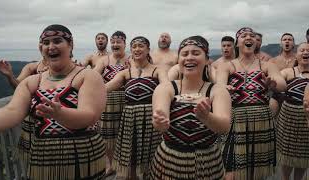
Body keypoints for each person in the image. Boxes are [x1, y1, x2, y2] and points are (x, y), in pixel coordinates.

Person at [0, 24, 107, 179]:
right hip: (42, 158)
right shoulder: (32, 81)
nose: (51, 47)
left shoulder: (88, 76)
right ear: (40, 49)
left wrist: (60, 113)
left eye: (57, 41)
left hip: (82, 156)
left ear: (70, 45)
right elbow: (12, 111)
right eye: (46, 43)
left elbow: (89, 115)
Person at [149, 35, 231, 179]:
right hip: (170, 161)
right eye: (184, 54)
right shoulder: (166, 88)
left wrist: (207, 117)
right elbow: (160, 122)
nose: (189, 57)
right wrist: (160, 122)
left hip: (207, 163)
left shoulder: (217, 91)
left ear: (206, 60)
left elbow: (224, 127)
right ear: (178, 60)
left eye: (196, 53)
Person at [217, 27, 286, 180]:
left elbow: (282, 84)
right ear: (237, 43)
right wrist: (225, 88)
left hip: (262, 120)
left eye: (252, 35)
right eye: (243, 35)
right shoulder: (227, 66)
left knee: (256, 171)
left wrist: (273, 84)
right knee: (231, 172)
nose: (248, 37)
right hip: (236, 119)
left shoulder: (267, 65)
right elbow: (219, 84)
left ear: (256, 42)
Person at [105, 36, 168, 179]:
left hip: (151, 116)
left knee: (151, 153)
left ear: (148, 50)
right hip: (130, 117)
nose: (137, 49)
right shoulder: (125, 73)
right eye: (134, 47)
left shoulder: (158, 70)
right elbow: (106, 87)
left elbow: (166, 86)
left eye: (141, 46)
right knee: (130, 155)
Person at [94, 31, 129, 177]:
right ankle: (111, 164)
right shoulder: (104, 61)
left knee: (126, 133)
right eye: (113, 42)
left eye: (118, 42)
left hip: (127, 99)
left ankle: (125, 165)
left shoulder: (131, 59)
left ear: (124, 44)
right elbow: (94, 75)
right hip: (108, 99)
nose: (115, 44)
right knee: (108, 136)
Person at [276, 42, 309, 180]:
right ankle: (285, 178)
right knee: (287, 154)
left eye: (308, 50)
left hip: (307, 118)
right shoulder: (288, 72)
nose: (306, 52)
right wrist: (273, 84)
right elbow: (278, 82)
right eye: (302, 50)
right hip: (288, 116)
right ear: (296, 53)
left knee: (304, 153)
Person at [269, 33, 297, 116]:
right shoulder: (273, 61)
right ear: (281, 44)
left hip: (294, 93)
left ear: (293, 44)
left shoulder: (299, 59)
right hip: (277, 93)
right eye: (284, 40)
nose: (287, 41)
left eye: (290, 40)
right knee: (273, 119)